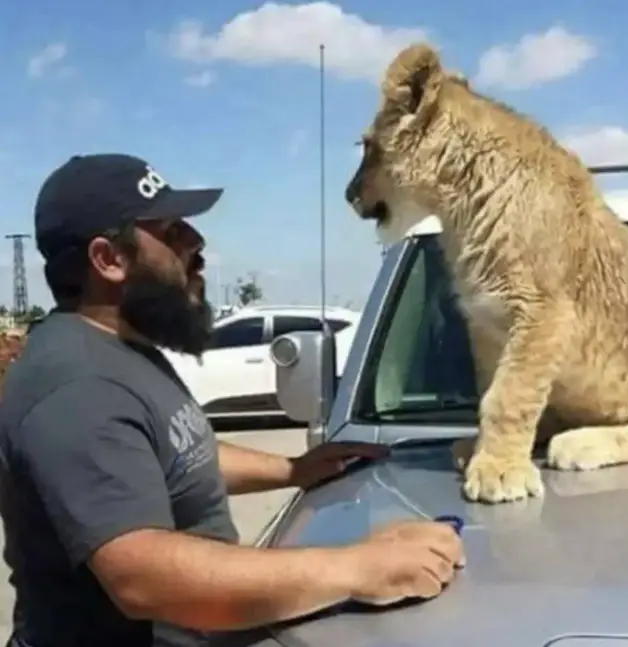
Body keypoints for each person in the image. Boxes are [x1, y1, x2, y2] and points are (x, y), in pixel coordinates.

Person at [0, 153, 464, 647]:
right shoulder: (76, 386)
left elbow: (174, 456)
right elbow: (142, 577)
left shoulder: (120, 349)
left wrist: (294, 469)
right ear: (108, 260)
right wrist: (360, 567)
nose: (198, 244)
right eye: (173, 231)